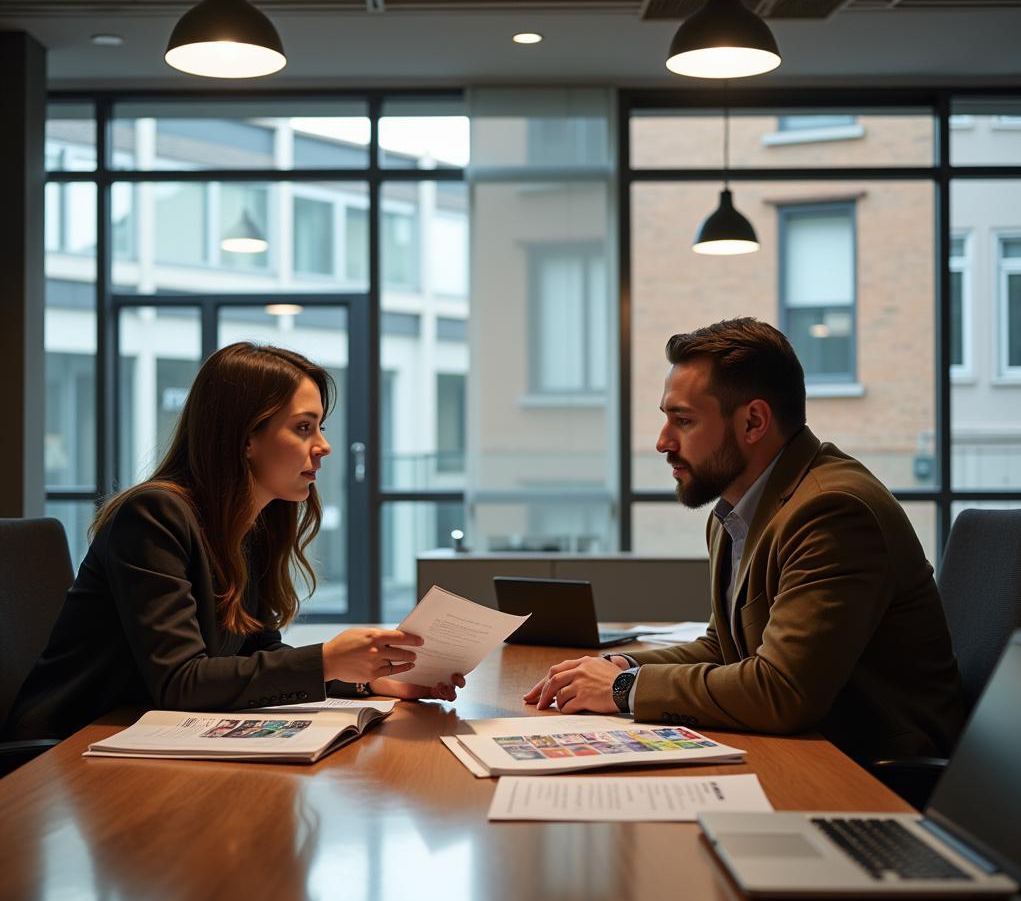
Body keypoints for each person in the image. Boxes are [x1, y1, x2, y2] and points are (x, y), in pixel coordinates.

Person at [525, 318, 965, 763]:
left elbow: (782, 692)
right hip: (806, 751)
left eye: (683, 420)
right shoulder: (736, 510)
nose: (663, 442)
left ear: (753, 421)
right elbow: (724, 647)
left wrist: (623, 691)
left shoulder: (833, 511)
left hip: (875, 775)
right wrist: (624, 667)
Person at [8, 342, 463, 741]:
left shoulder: (251, 523)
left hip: (150, 735)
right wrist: (328, 660)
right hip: (70, 750)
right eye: (304, 427)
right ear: (246, 438)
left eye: (320, 427)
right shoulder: (152, 515)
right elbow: (181, 681)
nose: (323, 445)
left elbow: (256, 652)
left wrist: (369, 682)